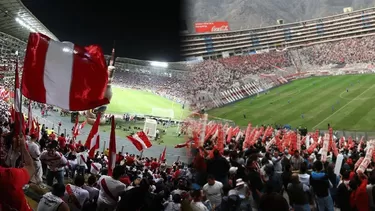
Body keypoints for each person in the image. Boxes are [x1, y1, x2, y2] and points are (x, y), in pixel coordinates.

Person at [0, 135, 35, 211]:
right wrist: (23, 147)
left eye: (3, 146)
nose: (2, 150)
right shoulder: (8, 176)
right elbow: (31, 167)